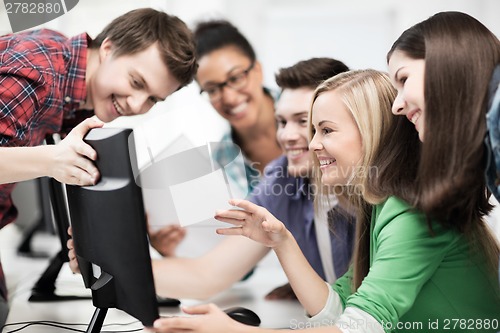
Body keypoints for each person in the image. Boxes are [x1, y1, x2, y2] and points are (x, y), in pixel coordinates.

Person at [151, 69, 500, 333]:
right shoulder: (380, 206)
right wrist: (282, 241)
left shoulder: (411, 211)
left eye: (326, 130)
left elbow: (355, 329)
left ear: (372, 132)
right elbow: (337, 312)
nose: (310, 143)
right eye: (312, 130)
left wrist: (236, 331)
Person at [68, 57, 355, 300]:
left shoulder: (377, 192)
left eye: (303, 121)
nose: (287, 136)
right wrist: (105, 263)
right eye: (281, 122)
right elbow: (206, 275)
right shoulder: (285, 180)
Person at [0, 7, 197, 325]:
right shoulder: (38, 69)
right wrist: (52, 161)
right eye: (136, 81)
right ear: (108, 49)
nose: (135, 104)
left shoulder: (77, 100)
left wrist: (116, 234)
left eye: (152, 99)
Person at [193, 19, 282, 197]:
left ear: (257, 70)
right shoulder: (218, 164)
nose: (230, 98)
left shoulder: (314, 115)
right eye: (212, 89)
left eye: (235, 78)